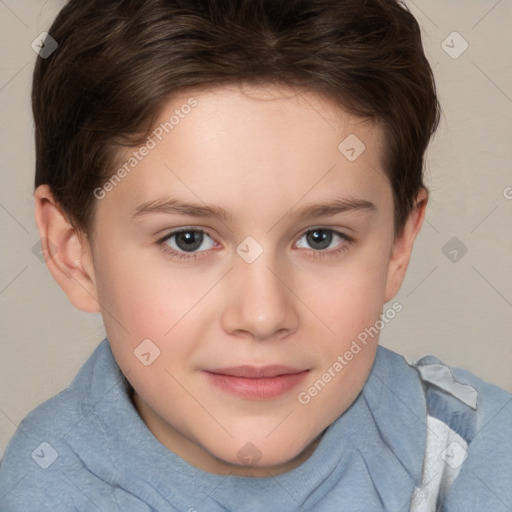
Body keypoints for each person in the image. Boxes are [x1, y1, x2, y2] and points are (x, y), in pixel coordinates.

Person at [0, 0, 510, 510]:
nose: (263, 315)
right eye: (188, 240)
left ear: (399, 244)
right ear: (74, 253)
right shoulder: (39, 489)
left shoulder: (480, 455)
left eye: (320, 238)